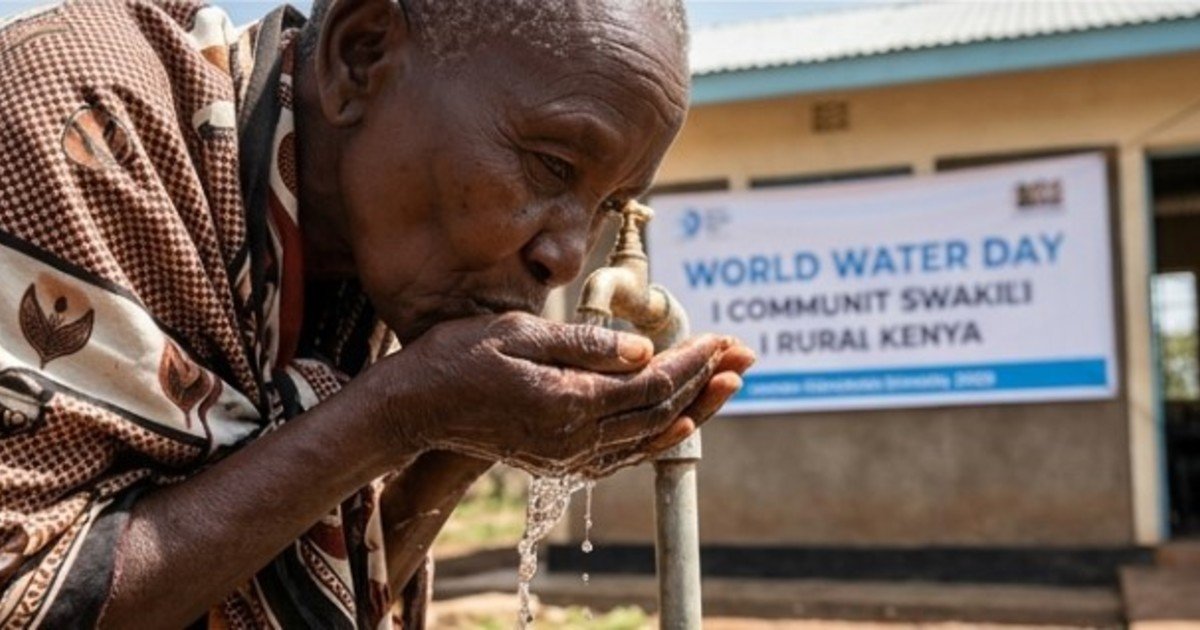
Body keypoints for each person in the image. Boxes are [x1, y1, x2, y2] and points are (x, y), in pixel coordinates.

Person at [0, 0, 754, 627]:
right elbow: (25, 595)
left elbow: (334, 590)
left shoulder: (361, 262)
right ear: (360, 57)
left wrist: (461, 438)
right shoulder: (87, 114)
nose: (565, 255)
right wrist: (396, 414)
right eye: (553, 166)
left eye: (607, 208)